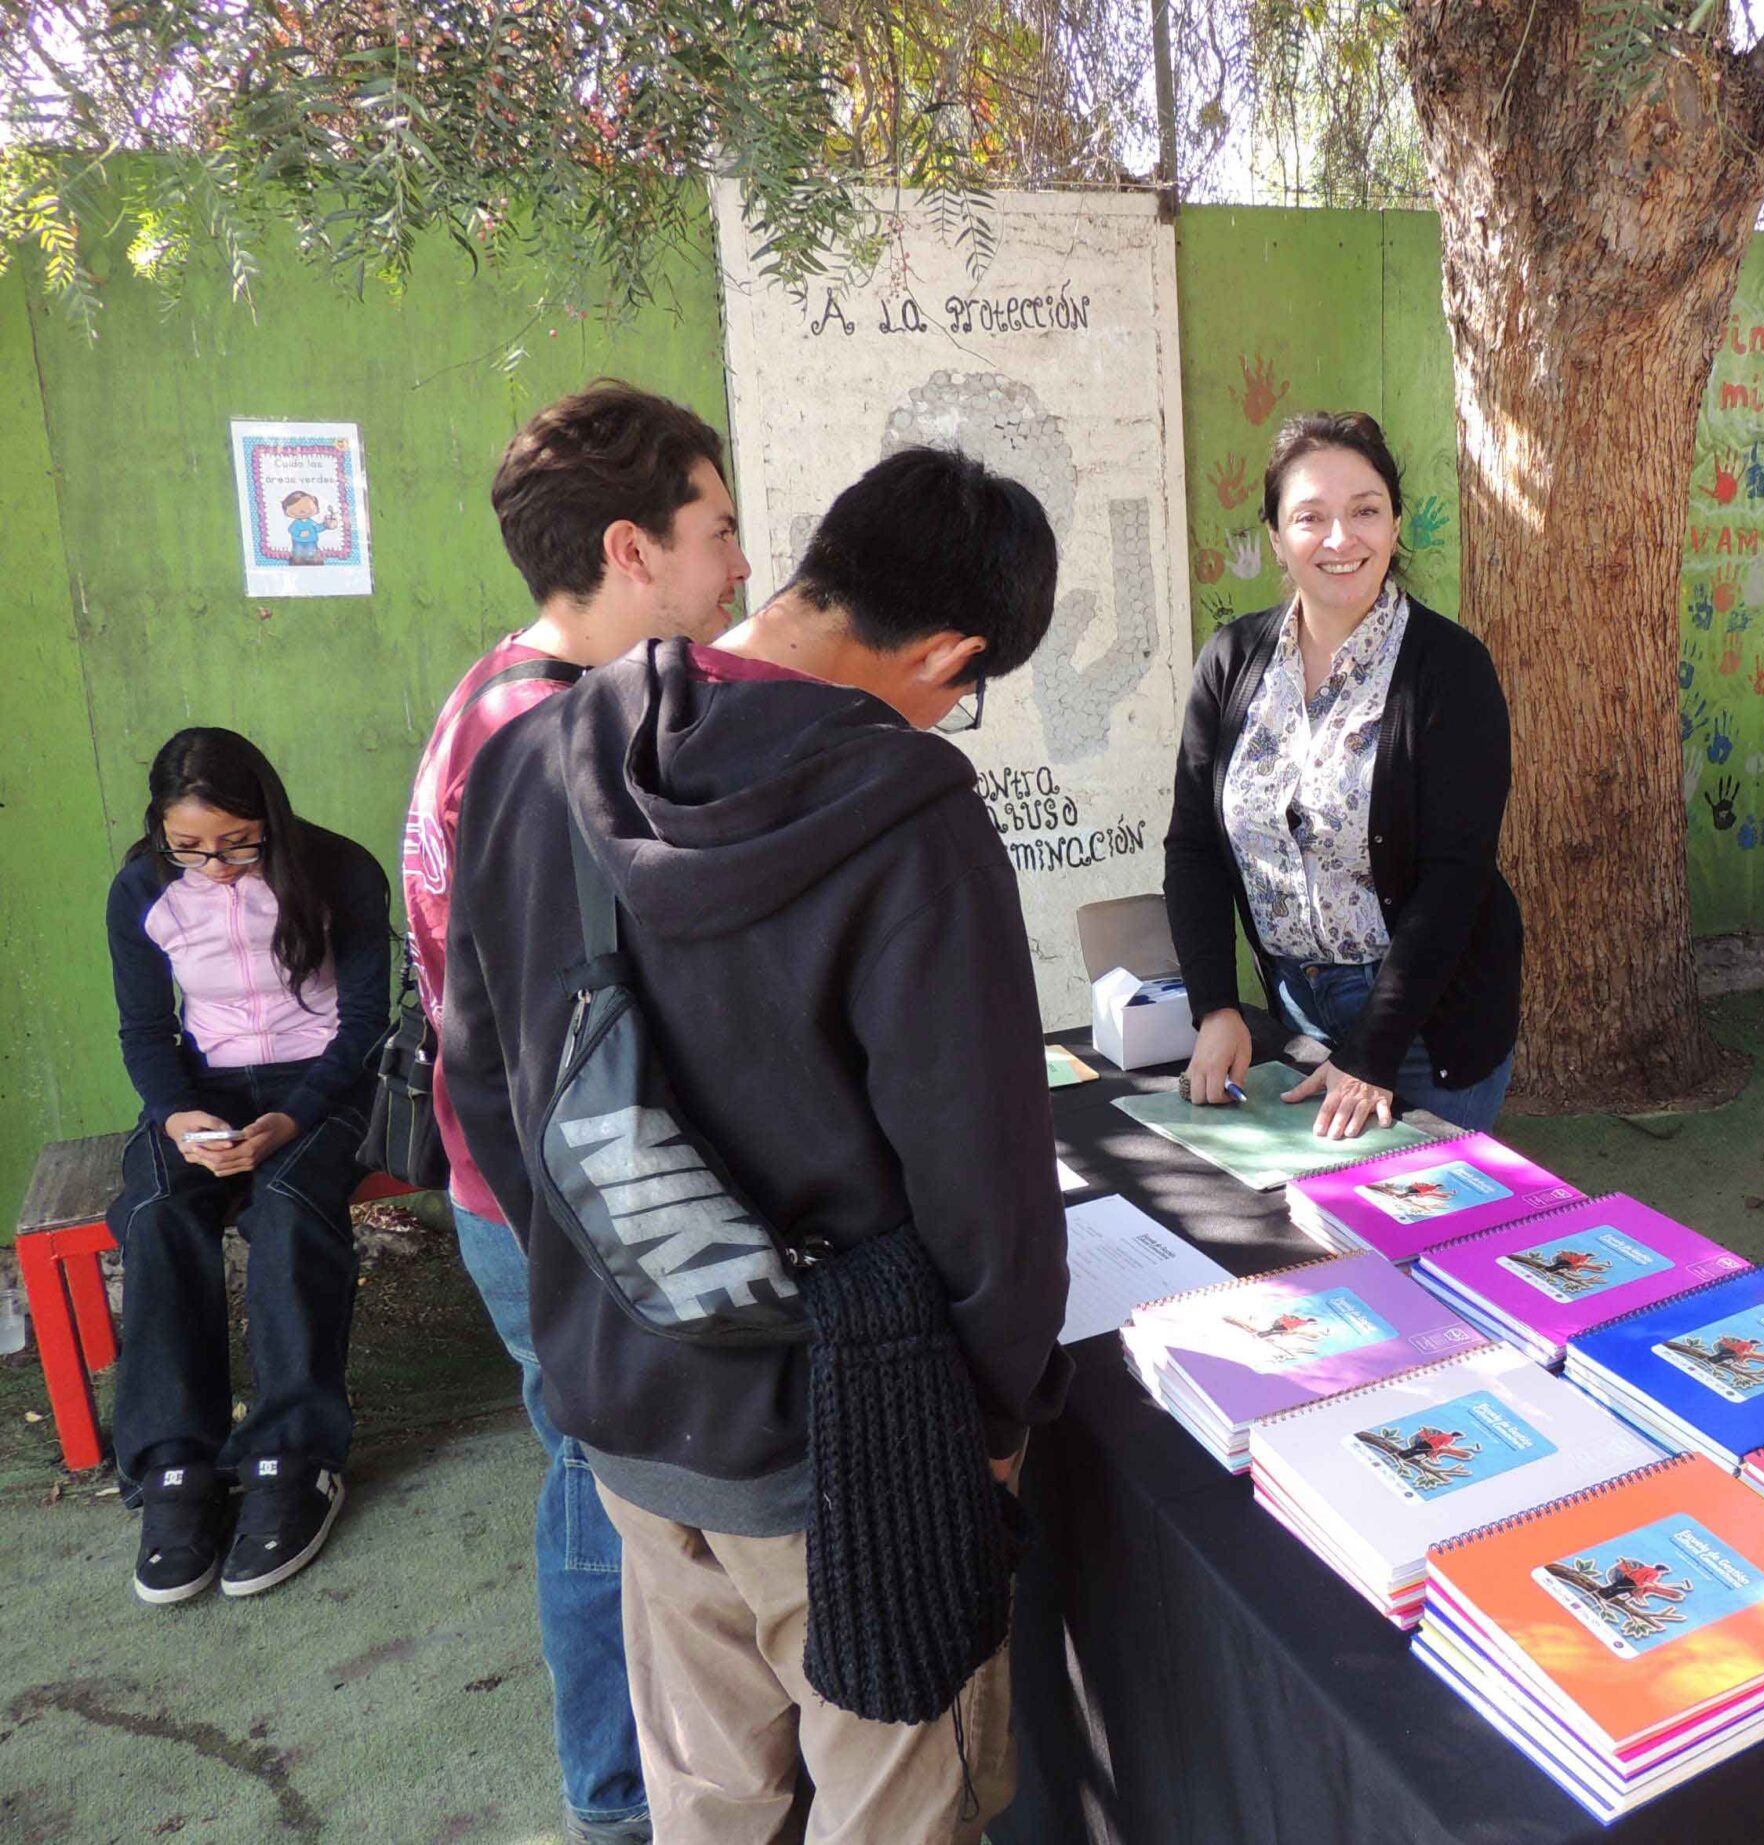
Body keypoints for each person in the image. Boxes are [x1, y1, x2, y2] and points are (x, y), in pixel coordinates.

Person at [440, 443, 1072, 1843]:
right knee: (897, 1802)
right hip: (856, 1445)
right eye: (966, 692)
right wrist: (992, 1426)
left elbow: (487, 1090)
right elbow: (981, 1185)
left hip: (632, 1406)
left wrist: (611, 1299)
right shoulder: (912, 817)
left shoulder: (534, 759)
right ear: (953, 654)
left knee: (711, 1799)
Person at [401, 381, 748, 1843]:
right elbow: (561, 1045)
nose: (741, 563)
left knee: (590, 1477)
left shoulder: (500, 689)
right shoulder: (556, 744)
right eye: (716, 528)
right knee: (613, 1501)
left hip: (518, 1188)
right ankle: (618, 1801)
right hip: (558, 1205)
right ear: (630, 548)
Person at [1166, 410, 1522, 1140]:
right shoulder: (1230, 661)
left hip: (1424, 1025)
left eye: (1365, 511)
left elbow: (1456, 878)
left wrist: (1373, 1049)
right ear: (1275, 536)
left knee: (1405, 1208)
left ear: (1395, 525)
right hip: (1294, 1011)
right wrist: (1216, 1007)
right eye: (1310, 517)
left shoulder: (1450, 670)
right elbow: (1193, 846)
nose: (1340, 538)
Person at [104, 728, 389, 1602]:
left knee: (292, 1203)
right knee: (158, 1210)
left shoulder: (339, 870)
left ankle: (294, 1457)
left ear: (269, 814)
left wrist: (292, 1117)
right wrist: (176, 1113)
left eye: (237, 843)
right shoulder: (142, 889)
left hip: (324, 1083)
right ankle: (174, 1466)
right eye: (189, 847)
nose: (217, 868)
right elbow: (146, 1031)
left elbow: (364, 1023)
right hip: (204, 1087)